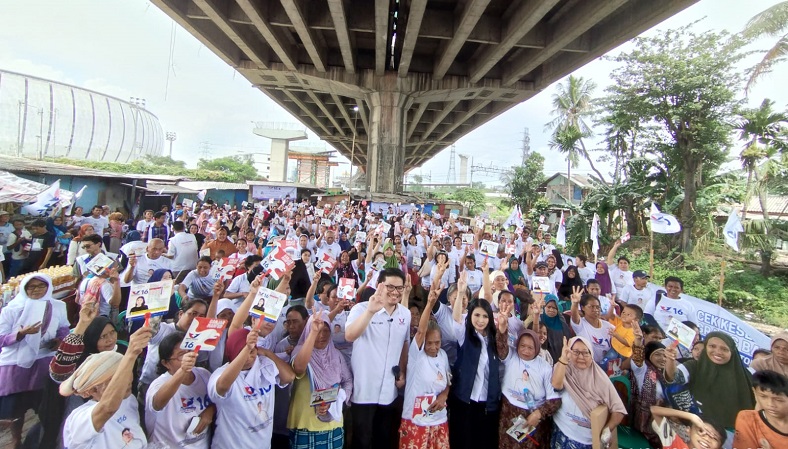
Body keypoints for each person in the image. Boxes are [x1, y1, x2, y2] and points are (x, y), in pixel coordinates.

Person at [0, 274, 70, 447]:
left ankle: (47, 439)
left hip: (44, 359)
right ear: (24, 289)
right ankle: (16, 439)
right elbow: (1, 338)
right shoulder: (12, 309)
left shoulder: (58, 306)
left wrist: (59, 341)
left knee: (46, 404)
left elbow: (63, 328)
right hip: (15, 363)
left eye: (41, 286)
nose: (36, 290)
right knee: (16, 407)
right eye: (31, 287)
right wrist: (21, 334)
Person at [345, 267, 411, 449]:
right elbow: (349, 335)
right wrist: (370, 312)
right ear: (379, 285)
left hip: (389, 391)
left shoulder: (405, 314)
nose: (395, 292)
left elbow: (404, 344)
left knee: (383, 439)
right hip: (364, 390)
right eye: (391, 287)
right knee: (362, 441)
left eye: (399, 288)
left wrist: (402, 370)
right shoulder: (361, 309)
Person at [60, 326, 153, 449]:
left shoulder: (129, 400)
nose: (127, 379)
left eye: (125, 373)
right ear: (93, 390)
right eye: (116, 378)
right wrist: (130, 354)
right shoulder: (79, 418)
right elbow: (107, 408)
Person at [208, 325, 295, 449]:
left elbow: (289, 377)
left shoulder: (264, 365)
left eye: (252, 351)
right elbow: (221, 386)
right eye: (243, 352)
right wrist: (248, 347)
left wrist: (266, 352)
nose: (249, 357)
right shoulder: (222, 374)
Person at [449, 274, 503, 449]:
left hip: (488, 404)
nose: (480, 320)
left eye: (485, 316)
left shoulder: (494, 341)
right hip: (464, 400)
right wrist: (462, 292)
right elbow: (456, 318)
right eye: (477, 315)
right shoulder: (464, 336)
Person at [497, 304, 561, 449]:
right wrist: (502, 326)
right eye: (522, 346)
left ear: (537, 348)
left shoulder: (545, 367)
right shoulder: (511, 356)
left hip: (532, 419)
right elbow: (501, 345)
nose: (525, 351)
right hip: (509, 414)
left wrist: (538, 414)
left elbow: (555, 400)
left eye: (530, 347)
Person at [665, 331, 756, 432]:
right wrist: (670, 359)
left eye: (724, 349)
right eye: (712, 346)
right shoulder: (695, 366)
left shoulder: (748, 374)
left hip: (738, 430)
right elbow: (675, 377)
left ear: (732, 352)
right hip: (704, 427)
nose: (717, 352)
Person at [289, 309, 354, 449]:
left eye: (326, 330)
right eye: (318, 330)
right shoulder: (300, 351)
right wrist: (313, 333)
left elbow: (348, 381)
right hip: (306, 424)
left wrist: (339, 398)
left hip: (333, 424)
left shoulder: (336, 354)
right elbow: (299, 368)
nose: (322, 335)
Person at [551, 336, 627, 449]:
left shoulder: (600, 377)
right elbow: (556, 386)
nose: (581, 357)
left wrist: (607, 429)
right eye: (576, 352)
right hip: (562, 431)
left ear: (591, 355)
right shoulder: (563, 368)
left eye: (585, 353)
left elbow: (619, 410)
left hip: (587, 440)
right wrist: (563, 358)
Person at [399, 287, 451, 449]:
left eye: (437, 343)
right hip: (415, 421)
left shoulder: (443, 355)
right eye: (429, 343)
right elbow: (421, 331)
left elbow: (449, 382)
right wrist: (429, 304)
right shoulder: (416, 354)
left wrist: (444, 396)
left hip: (439, 420)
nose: (434, 347)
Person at [145, 331, 214, 449]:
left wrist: (210, 411)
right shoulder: (158, 384)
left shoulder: (204, 375)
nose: (188, 357)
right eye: (182, 355)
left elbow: (217, 399)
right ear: (166, 363)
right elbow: (158, 403)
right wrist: (183, 370)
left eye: (189, 351)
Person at [138, 299, 208, 399]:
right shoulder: (164, 329)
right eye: (193, 313)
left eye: (201, 316)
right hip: (151, 383)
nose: (196, 319)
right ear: (181, 314)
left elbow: (201, 363)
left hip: (182, 388)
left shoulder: (199, 338)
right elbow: (149, 330)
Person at [629, 326, 669, 448]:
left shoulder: (665, 373)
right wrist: (638, 340)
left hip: (662, 416)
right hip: (645, 420)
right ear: (648, 355)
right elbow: (637, 358)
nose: (662, 359)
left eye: (664, 355)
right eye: (658, 355)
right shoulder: (642, 370)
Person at [734, 370, 788, 449]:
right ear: (754, 393)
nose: (770, 404)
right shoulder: (748, 419)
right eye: (763, 397)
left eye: (779, 400)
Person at [569, 287, 614, 365]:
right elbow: (574, 315)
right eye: (591, 307)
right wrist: (575, 303)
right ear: (583, 308)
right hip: (586, 364)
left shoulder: (608, 326)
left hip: (605, 366)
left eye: (597, 307)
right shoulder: (580, 324)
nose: (595, 309)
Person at [650, 406, 727, 449]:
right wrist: (691, 416)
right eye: (701, 431)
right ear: (688, 430)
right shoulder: (674, 442)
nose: (707, 439)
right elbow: (653, 410)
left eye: (714, 438)